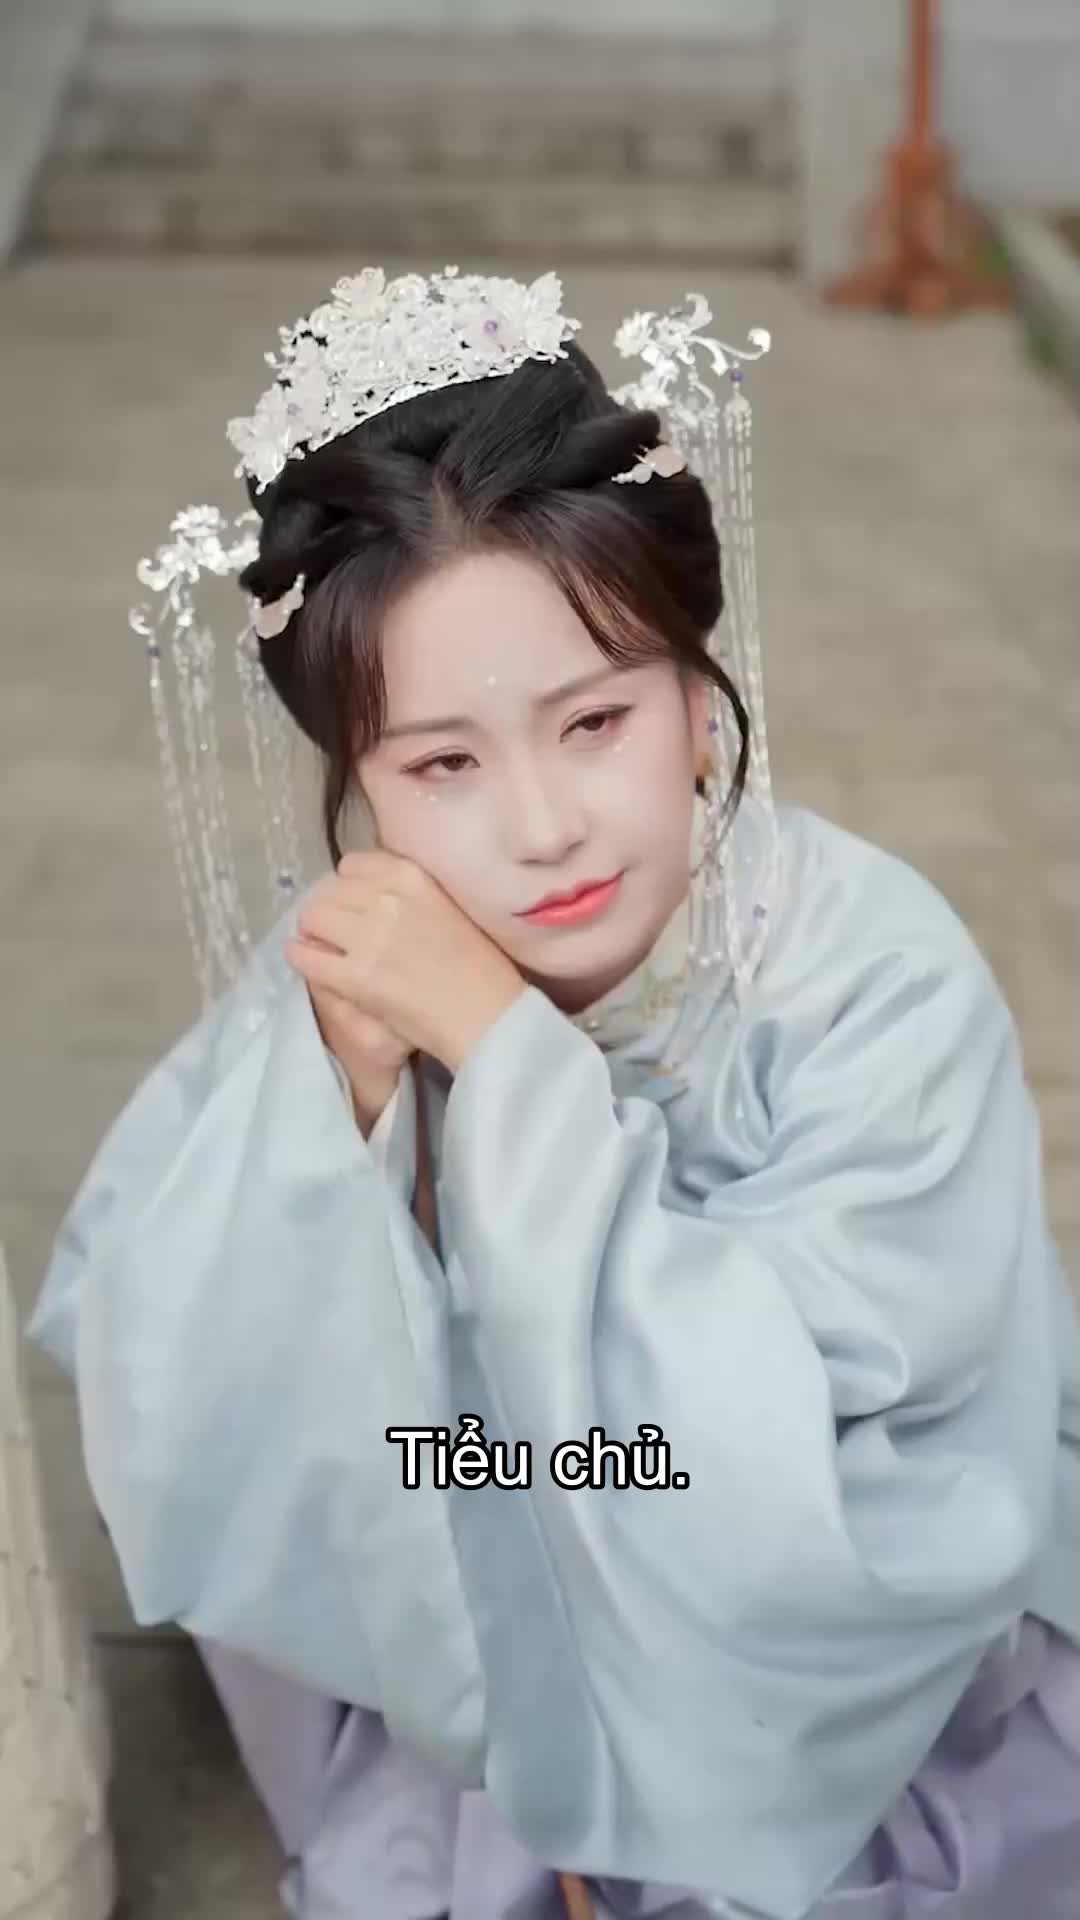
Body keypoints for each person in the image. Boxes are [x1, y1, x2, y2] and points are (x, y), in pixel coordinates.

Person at [27, 267, 1080, 1920]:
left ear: (696, 700)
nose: (542, 829)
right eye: (442, 764)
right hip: (508, 1604)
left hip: (821, 1700)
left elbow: (804, 1483)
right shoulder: (362, 963)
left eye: (596, 721)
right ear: (359, 787)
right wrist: (342, 1107)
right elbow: (182, 1370)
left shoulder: (873, 969)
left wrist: (508, 1064)